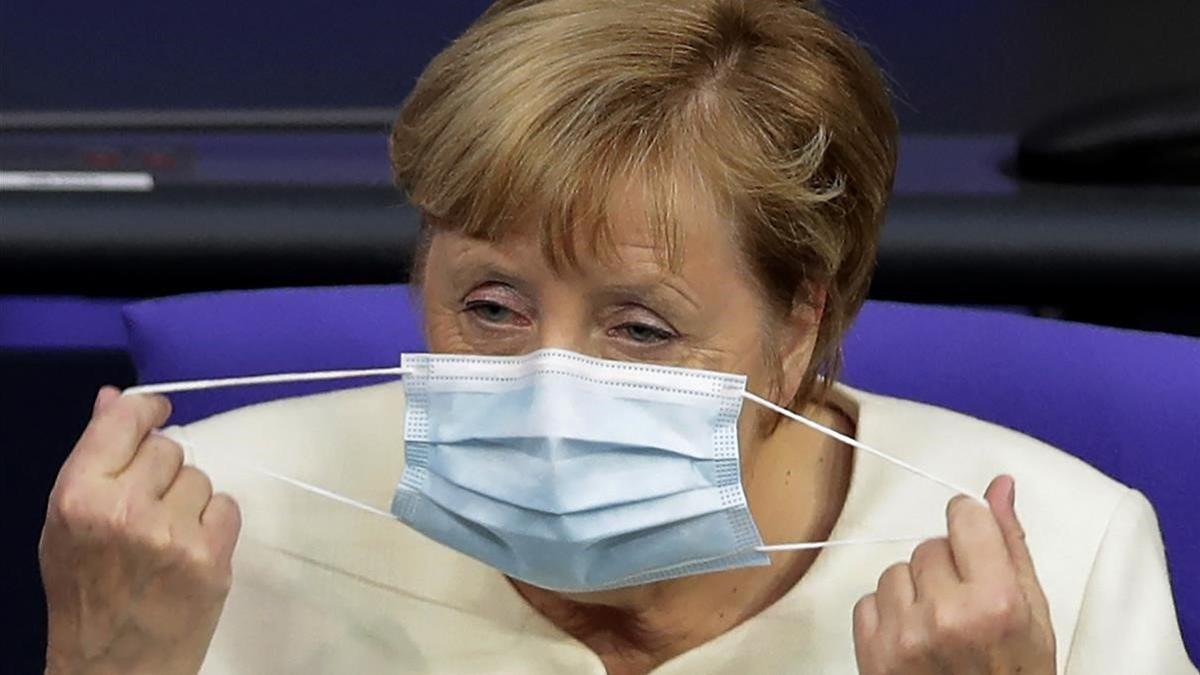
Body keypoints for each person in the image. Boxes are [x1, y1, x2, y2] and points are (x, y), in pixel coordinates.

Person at [38, 1, 1195, 673]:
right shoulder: (204, 538)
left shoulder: (1058, 562)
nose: (551, 387)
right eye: (491, 306)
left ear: (802, 323)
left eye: (641, 327)